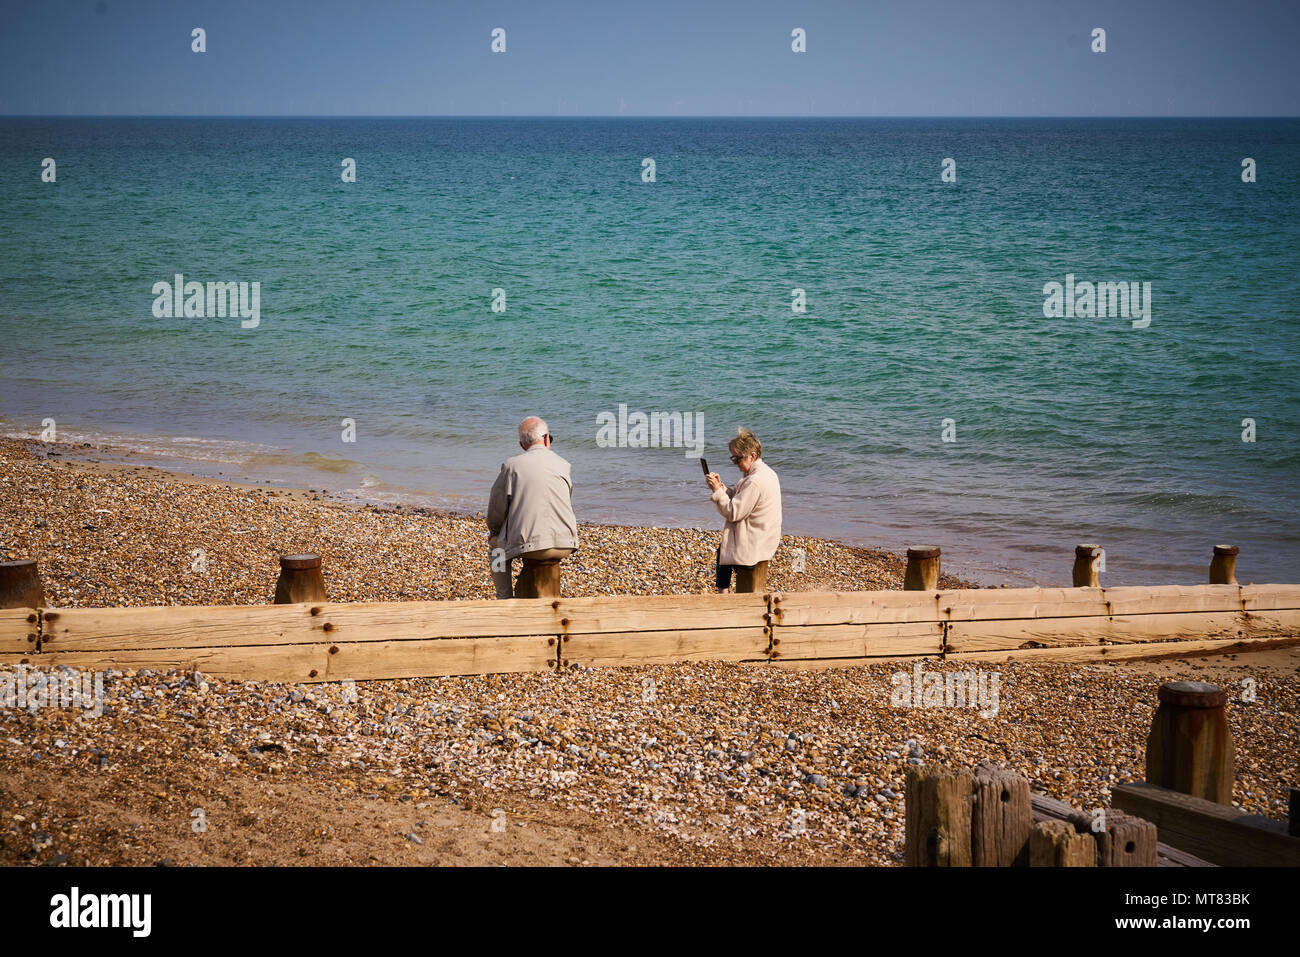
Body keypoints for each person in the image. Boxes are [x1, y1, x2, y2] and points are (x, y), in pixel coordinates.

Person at [487, 416, 579, 598]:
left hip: (533, 546)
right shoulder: (564, 465)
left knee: (495, 549)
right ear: (546, 439)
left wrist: (495, 532)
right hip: (566, 542)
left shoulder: (512, 466)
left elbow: (497, 508)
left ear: (522, 445)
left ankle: (504, 598)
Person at [705, 427, 782, 593]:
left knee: (724, 550)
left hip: (755, 542)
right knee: (723, 550)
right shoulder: (765, 473)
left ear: (752, 456)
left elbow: (733, 512)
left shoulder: (754, 481)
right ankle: (723, 592)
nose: (735, 463)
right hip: (765, 536)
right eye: (733, 458)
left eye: (738, 458)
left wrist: (717, 492)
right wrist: (720, 487)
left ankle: (723, 594)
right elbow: (739, 495)